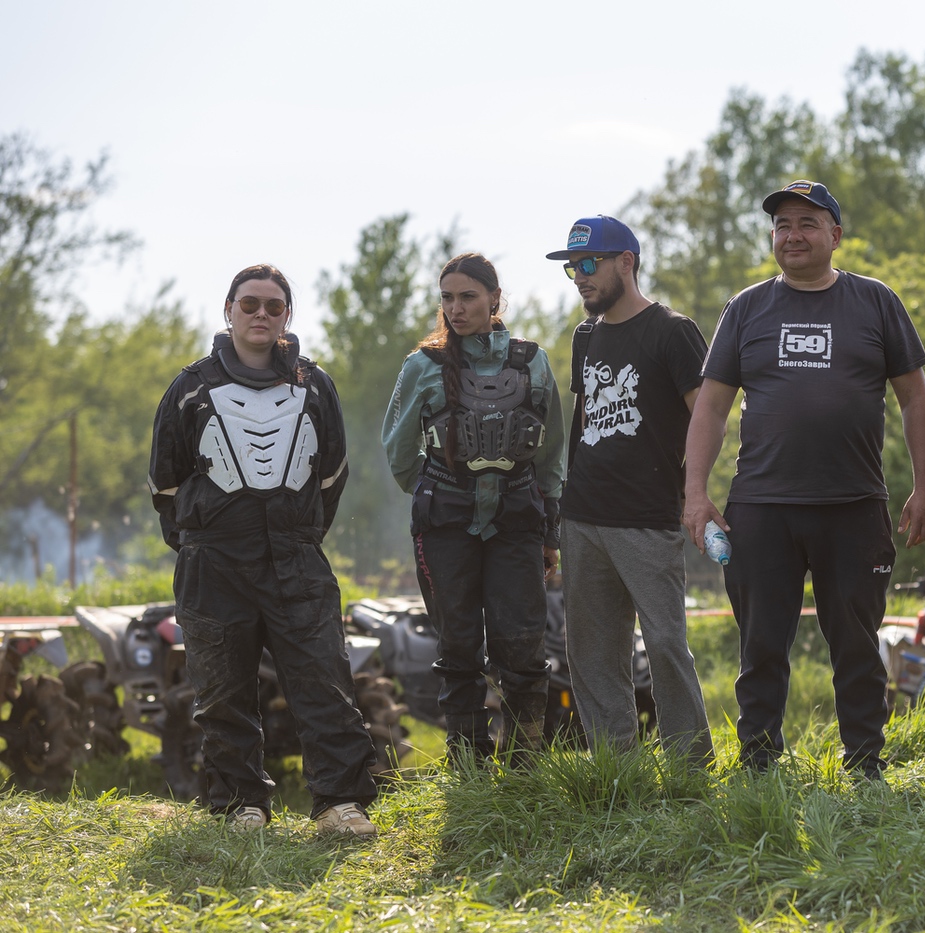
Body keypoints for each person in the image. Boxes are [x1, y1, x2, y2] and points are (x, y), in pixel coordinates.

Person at [684, 180, 925, 778]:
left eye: (807, 223)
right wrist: (695, 494)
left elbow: (915, 400)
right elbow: (712, 408)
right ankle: (759, 765)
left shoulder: (875, 301)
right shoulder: (746, 308)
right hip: (761, 507)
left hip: (853, 505)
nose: (792, 235)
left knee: (856, 645)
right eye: (782, 225)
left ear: (835, 235)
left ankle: (865, 764)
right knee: (760, 646)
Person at [148, 264, 378, 836]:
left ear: (287, 316)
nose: (260, 314)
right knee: (222, 692)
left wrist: (293, 535)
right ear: (228, 310)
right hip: (212, 563)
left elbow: (331, 477)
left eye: (273, 306)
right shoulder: (190, 387)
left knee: (324, 682)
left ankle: (339, 804)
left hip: (295, 559)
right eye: (249, 304)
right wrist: (203, 540)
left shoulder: (315, 385)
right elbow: (164, 483)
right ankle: (239, 805)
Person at [382, 252, 566, 766]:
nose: (456, 308)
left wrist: (550, 530)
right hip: (445, 524)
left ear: (494, 299)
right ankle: (468, 765)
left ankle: (526, 764)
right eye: (447, 298)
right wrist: (440, 488)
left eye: (468, 297)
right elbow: (399, 451)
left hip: (517, 522)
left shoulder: (532, 362)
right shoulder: (422, 365)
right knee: (458, 646)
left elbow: (552, 452)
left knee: (523, 645)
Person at [546, 216, 714, 761]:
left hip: (647, 516)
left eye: (588, 264)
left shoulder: (673, 331)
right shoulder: (586, 335)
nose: (579, 277)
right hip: (583, 516)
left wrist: (696, 493)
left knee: (665, 645)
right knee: (592, 654)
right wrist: (562, 509)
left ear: (626, 262)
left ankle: (690, 769)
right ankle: (617, 771)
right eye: (572, 268)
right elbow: (583, 422)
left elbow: (708, 417)